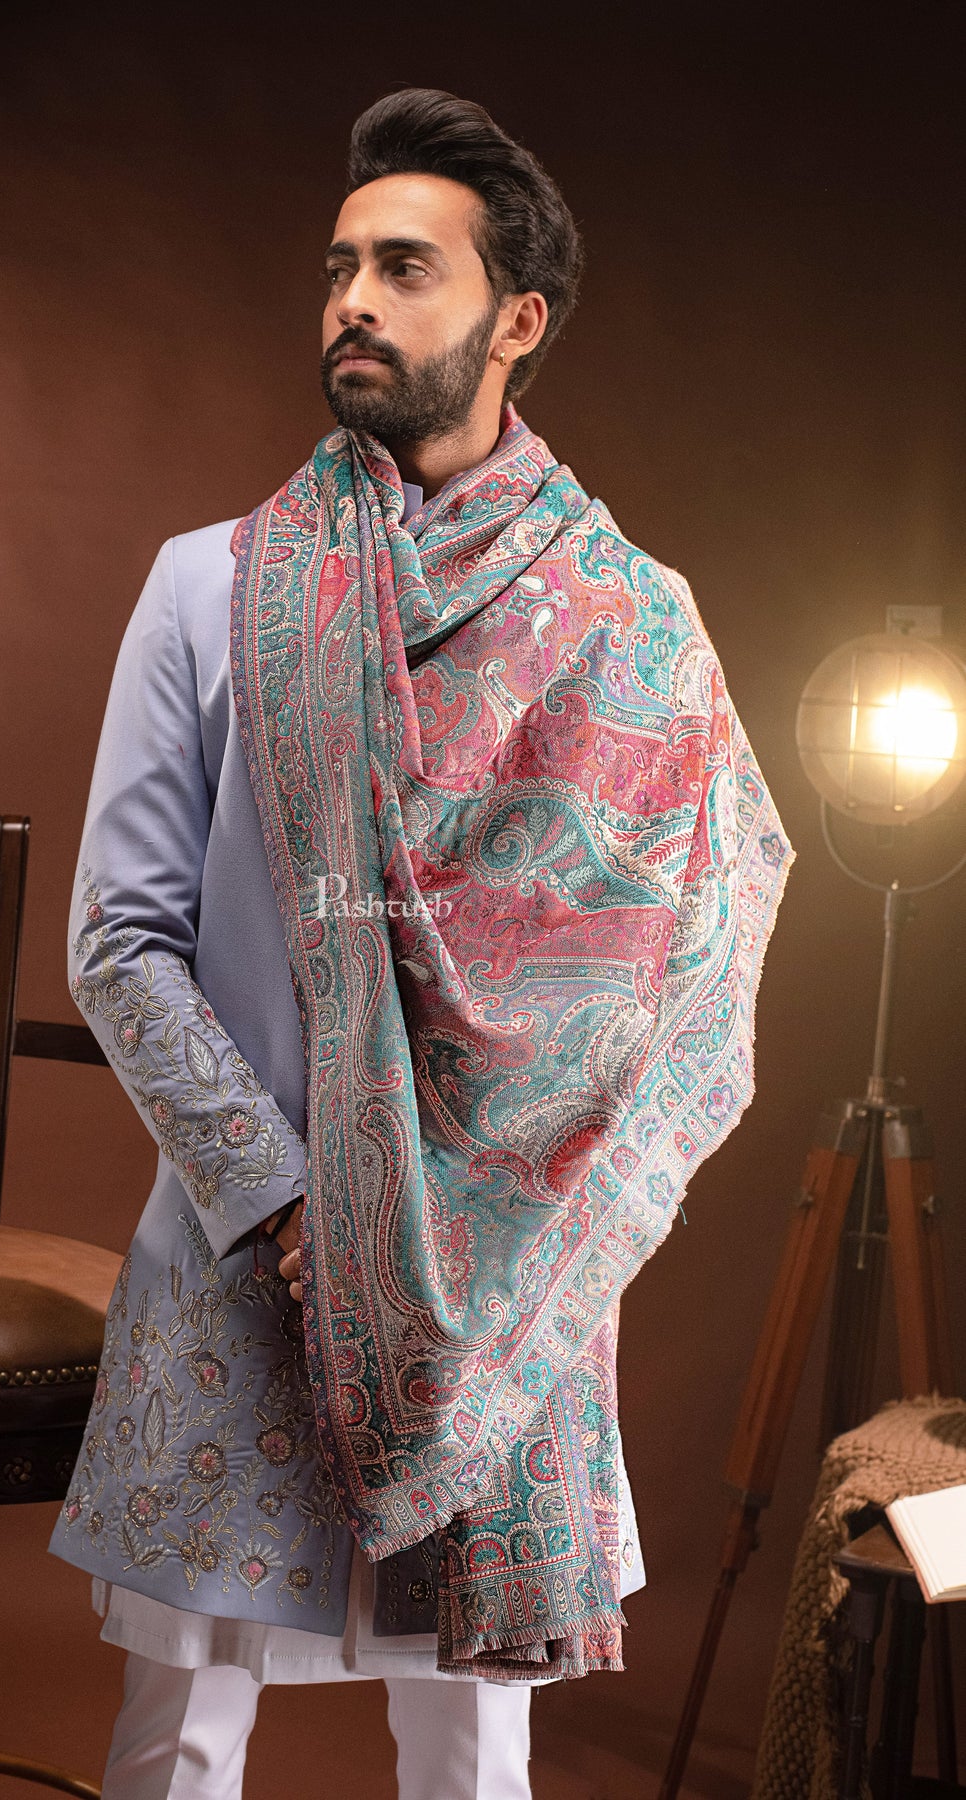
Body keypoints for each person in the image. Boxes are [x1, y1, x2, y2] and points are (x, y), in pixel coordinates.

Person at [52, 88, 792, 1800]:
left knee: (471, 1754)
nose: (352, 302)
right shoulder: (212, 586)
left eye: (403, 267)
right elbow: (120, 941)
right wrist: (289, 1206)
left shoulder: (630, 621)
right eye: (339, 268)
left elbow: (704, 936)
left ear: (514, 321)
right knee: (179, 1744)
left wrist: (483, 1228)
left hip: (500, 1293)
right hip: (250, 1256)